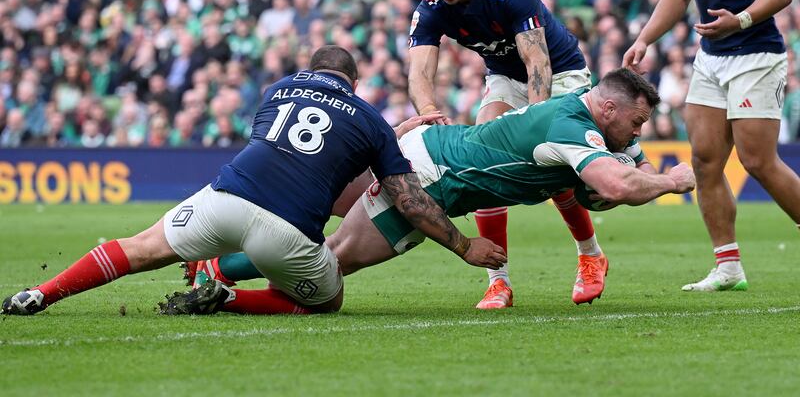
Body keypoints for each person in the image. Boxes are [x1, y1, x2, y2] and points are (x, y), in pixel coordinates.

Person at [2, 46, 506, 316]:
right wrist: (465, 247)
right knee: (327, 302)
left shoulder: (277, 89)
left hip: (225, 196)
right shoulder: (366, 114)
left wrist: (382, 137)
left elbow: (298, 147)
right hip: (285, 233)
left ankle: (42, 294)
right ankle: (230, 297)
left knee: (139, 247)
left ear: (311, 73)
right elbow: (406, 197)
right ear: (353, 84)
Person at [164, 68, 696, 316]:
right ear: (607, 109)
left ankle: (220, 273)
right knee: (329, 267)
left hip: (436, 153)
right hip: (433, 176)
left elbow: (613, 173)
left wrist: (637, 162)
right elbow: (611, 185)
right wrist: (670, 180)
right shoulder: (571, 130)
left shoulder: (580, 104)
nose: (638, 133)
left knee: (324, 256)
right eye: (637, 122)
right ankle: (221, 277)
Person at [407, 0, 601, 309]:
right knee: (481, 161)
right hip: (504, 78)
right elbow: (419, 72)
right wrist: (428, 111)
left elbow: (537, 63)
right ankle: (499, 283)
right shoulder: (431, 8)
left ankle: (590, 255)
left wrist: (533, 125)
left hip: (559, 74)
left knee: (551, 160)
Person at [622, 0, 799, 291]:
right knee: (704, 161)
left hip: (755, 56)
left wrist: (740, 20)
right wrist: (645, 38)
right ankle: (728, 267)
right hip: (711, 58)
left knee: (757, 161)